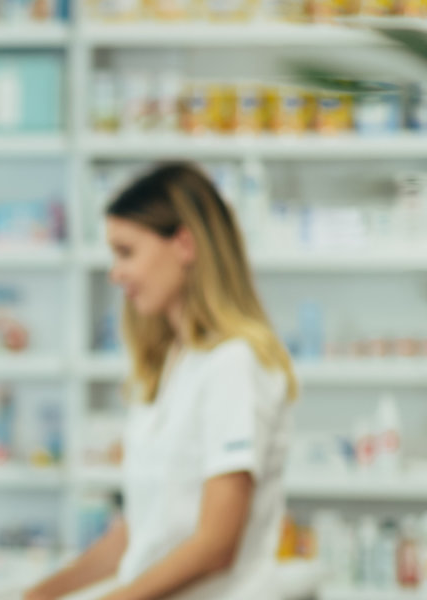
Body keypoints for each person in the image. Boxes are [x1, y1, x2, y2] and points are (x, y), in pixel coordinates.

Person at [26, 163, 297, 600]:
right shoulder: (173, 362)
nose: (115, 273)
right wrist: (36, 595)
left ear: (184, 244)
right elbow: (141, 530)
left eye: (126, 252)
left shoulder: (234, 364)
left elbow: (215, 546)